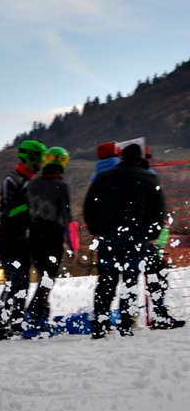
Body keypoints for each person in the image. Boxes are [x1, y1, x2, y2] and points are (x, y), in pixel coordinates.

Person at [83, 143, 176, 338]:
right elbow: (158, 210)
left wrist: (96, 229)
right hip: (136, 237)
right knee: (130, 280)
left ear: (122, 157)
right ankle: (125, 324)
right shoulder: (149, 178)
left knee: (106, 281)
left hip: (109, 236)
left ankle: (100, 324)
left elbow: (89, 206)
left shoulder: (104, 177)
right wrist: (152, 233)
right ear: (138, 158)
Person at [0, 139, 45, 341]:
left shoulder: (33, 182)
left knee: (24, 283)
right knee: (15, 280)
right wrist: (29, 207)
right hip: (8, 238)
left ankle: (16, 323)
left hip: (24, 239)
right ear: (30, 157)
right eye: (38, 159)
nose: (40, 163)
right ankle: (0, 319)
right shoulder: (11, 180)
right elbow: (7, 211)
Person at [23, 147, 79, 329]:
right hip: (52, 234)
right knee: (49, 277)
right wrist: (73, 245)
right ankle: (35, 313)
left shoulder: (31, 184)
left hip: (34, 234)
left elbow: (26, 211)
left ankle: (39, 311)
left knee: (43, 275)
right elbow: (67, 216)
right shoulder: (62, 186)